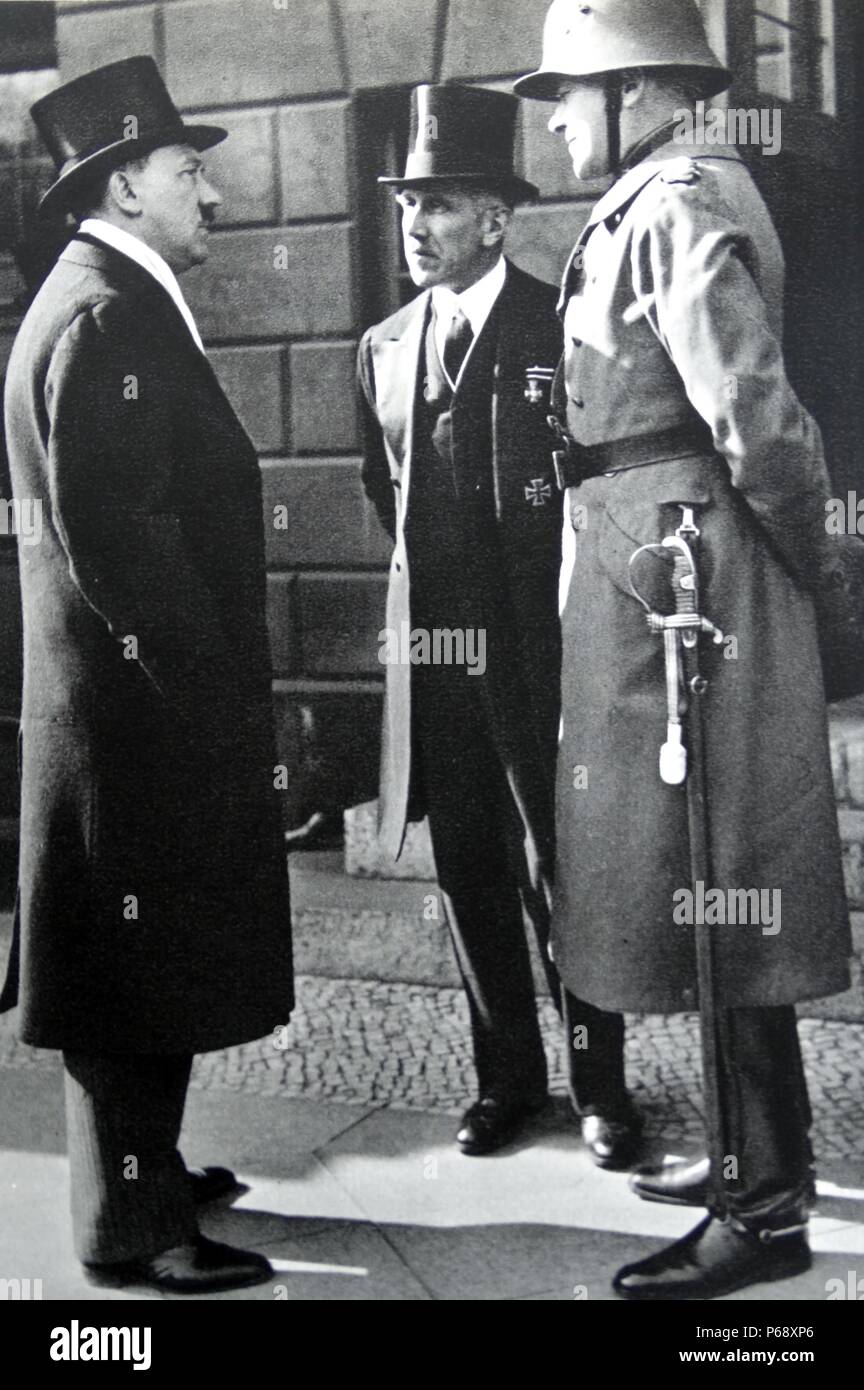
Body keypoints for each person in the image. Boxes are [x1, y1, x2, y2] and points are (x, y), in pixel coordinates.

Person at [515, 0, 852, 1298]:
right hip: (661, 577)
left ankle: (761, 1207)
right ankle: (744, 1166)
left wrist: (809, 580)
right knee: (697, 883)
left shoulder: (676, 199)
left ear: (640, 90)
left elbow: (758, 420)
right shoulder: (661, 192)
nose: (554, 117)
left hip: (692, 594)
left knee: (724, 883)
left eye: (570, 92)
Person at [0, 56, 293, 1294]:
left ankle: (146, 1169)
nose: (212, 193)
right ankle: (134, 1225)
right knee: (128, 969)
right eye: (189, 171)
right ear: (125, 187)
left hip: (118, 712)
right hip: (139, 716)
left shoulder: (102, 293)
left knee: (142, 950)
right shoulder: (108, 312)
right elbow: (127, 547)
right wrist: (220, 698)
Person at [357, 83, 637, 1164]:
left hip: (545, 660)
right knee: (467, 867)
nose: (417, 226)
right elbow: (384, 495)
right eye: (406, 204)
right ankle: (505, 1080)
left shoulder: (554, 327)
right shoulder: (383, 347)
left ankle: (601, 1084)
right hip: (438, 663)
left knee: (568, 873)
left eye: (441, 203)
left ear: (495, 219)